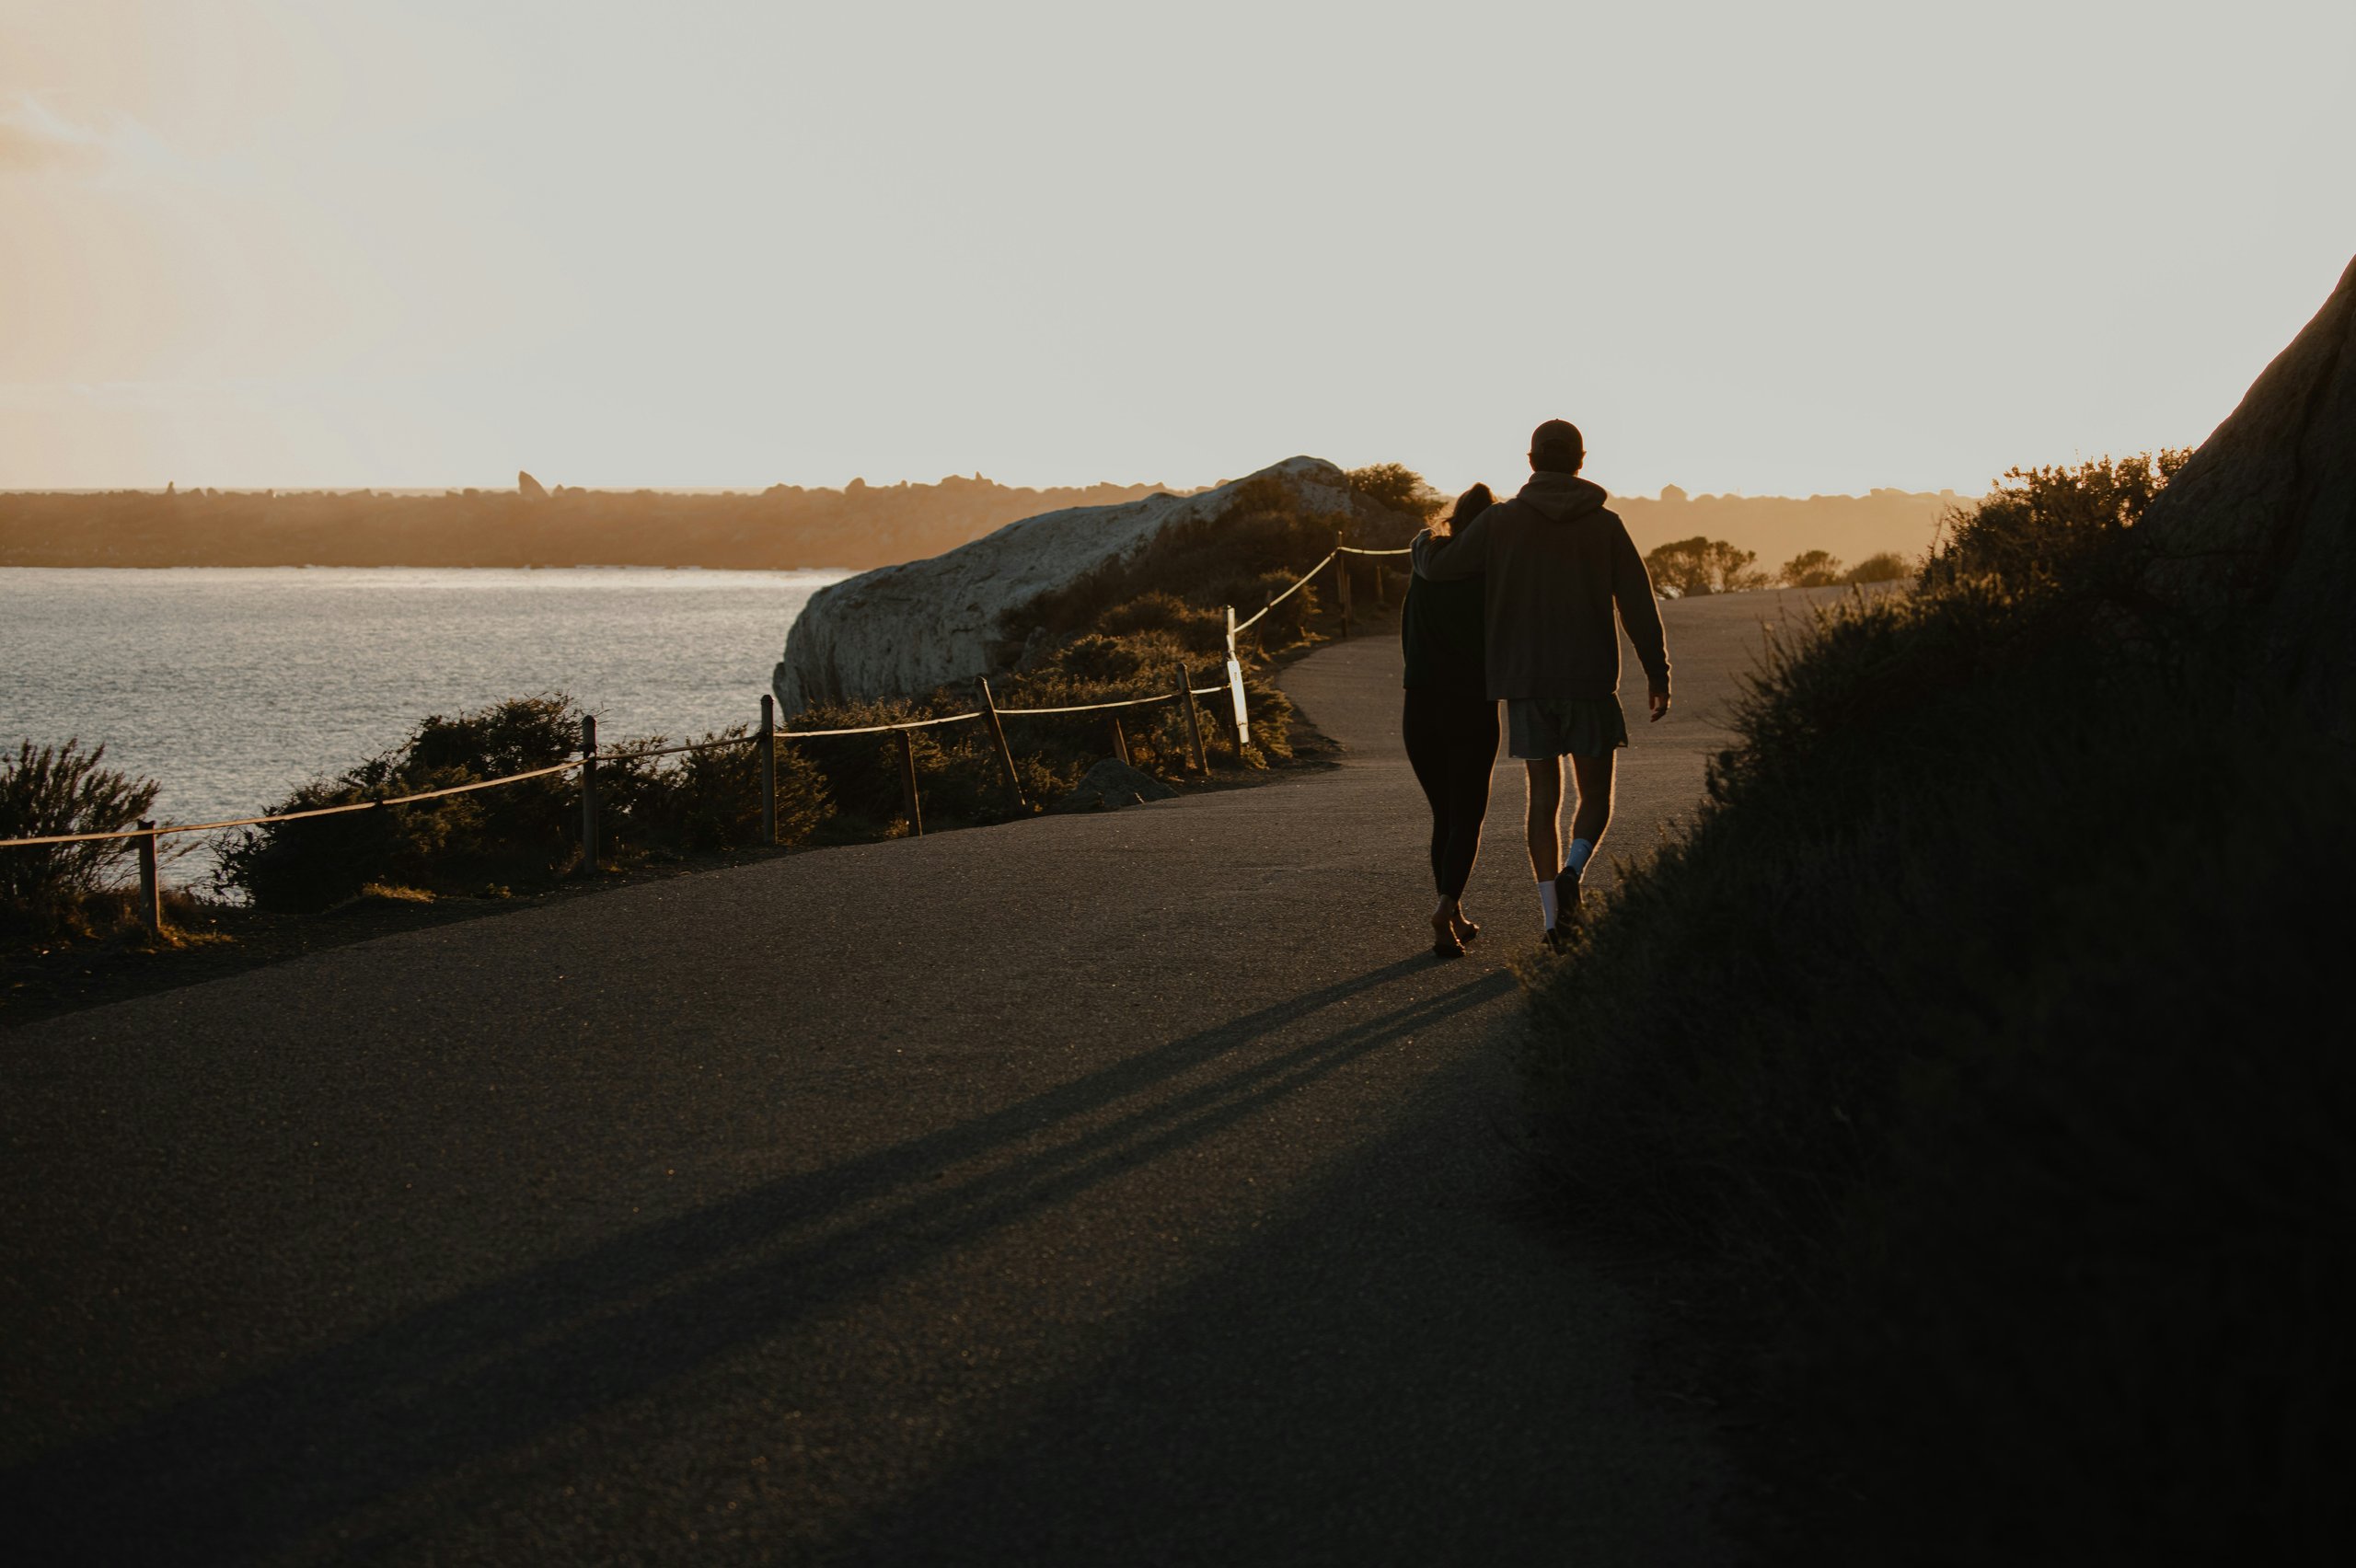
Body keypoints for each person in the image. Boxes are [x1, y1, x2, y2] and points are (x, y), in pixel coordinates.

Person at [1412, 421, 1670, 949]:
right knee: (1595, 795)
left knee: (1543, 800)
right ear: (1581, 461)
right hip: (1590, 681)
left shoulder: (1501, 522)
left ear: (1531, 460)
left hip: (1525, 683)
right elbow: (1638, 605)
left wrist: (1422, 544)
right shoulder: (1606, 525)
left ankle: (1553, 919)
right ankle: (1575, 871)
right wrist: (1657, 671)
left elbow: (1441, 569)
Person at [1400, 483, 1500, 959]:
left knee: (1443, 813)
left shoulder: (1422, 565)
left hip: (1418, 705)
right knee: (1468, 816)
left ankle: (1454, 915)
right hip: (1470, 705)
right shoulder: (1490, 574)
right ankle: (1444, 908)